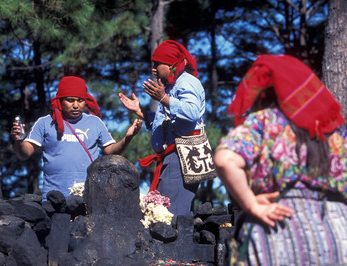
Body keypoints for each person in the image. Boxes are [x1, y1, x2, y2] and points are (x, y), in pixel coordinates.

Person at [214, 55, 347, 266]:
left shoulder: (266, 122)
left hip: (280, 227)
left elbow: (225, 160)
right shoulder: (338, 134)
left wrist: (251, 204)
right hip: (342, 235)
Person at [11, 76, 142, 200]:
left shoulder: (95, 123)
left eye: (80, 100)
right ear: (60, 100)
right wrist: (18, 141)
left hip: (89, 196)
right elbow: (24, 154)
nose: (75, 105)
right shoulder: (45, 123)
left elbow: (111, 151)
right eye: (70, 100)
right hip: (53, 197)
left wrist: (127, 138)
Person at [118, 40, 205, 217]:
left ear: (172, 64)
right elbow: (168, 123)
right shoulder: (170, 87)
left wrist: (164, 98)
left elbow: (193, 112)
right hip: (173, 157)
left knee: (170, 215)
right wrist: (139, 111)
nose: (153, 69)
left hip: (181, 156)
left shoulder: (186, 83)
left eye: (157, 64)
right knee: (164, 213)